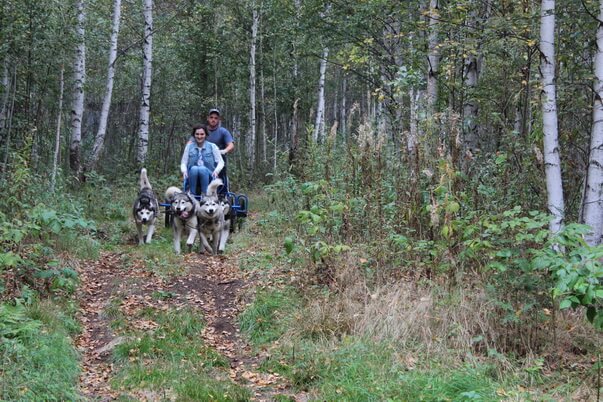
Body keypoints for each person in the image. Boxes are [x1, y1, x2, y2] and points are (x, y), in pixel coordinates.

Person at [180, 124, 224, 196]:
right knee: (194, 168)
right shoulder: (189, 147)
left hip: (209, 175)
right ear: (194, 135)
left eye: (202, 134)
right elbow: (183, 162)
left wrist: (216, 171)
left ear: (205, 135)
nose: (199, 136)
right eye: (197, 134)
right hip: (192, 175)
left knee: (202, 169)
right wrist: (184, 171)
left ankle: (205, 194)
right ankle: (192, 194)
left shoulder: (212, 146)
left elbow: (221, 162)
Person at [206, 108, 234, 196]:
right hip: (203, 160)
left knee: (221, 174)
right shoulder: (202, 131)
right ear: (208, 118)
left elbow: (231, 145)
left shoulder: (223, 131)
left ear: (219, 120)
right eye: (211, 117)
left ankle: (222, 193)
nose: (213, 119)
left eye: (215, 118)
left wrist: (225, 150)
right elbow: (191, 142)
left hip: (218, 161)